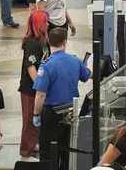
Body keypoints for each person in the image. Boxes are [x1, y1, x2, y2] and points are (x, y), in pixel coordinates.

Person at [33, 27, 91, 170]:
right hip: (71, 111)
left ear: (48, 41)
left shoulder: (47, 65)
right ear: (65, 42)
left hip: (52, 113)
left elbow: (40, 94)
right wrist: (91, 63)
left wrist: (36, 114)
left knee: (48, 151)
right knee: (66, 150)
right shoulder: (75, 60)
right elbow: (87, 75)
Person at [18, 10, 50, 162]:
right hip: (30, 88)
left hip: (37, 87)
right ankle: (26, 150)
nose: (48, 24)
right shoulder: (32, 43)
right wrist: (40, 85)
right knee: (30, 118)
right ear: (39, 24)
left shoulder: (42, 41)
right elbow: (31, 67)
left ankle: (32, 144)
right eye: (46, 21)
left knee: (35, 119)